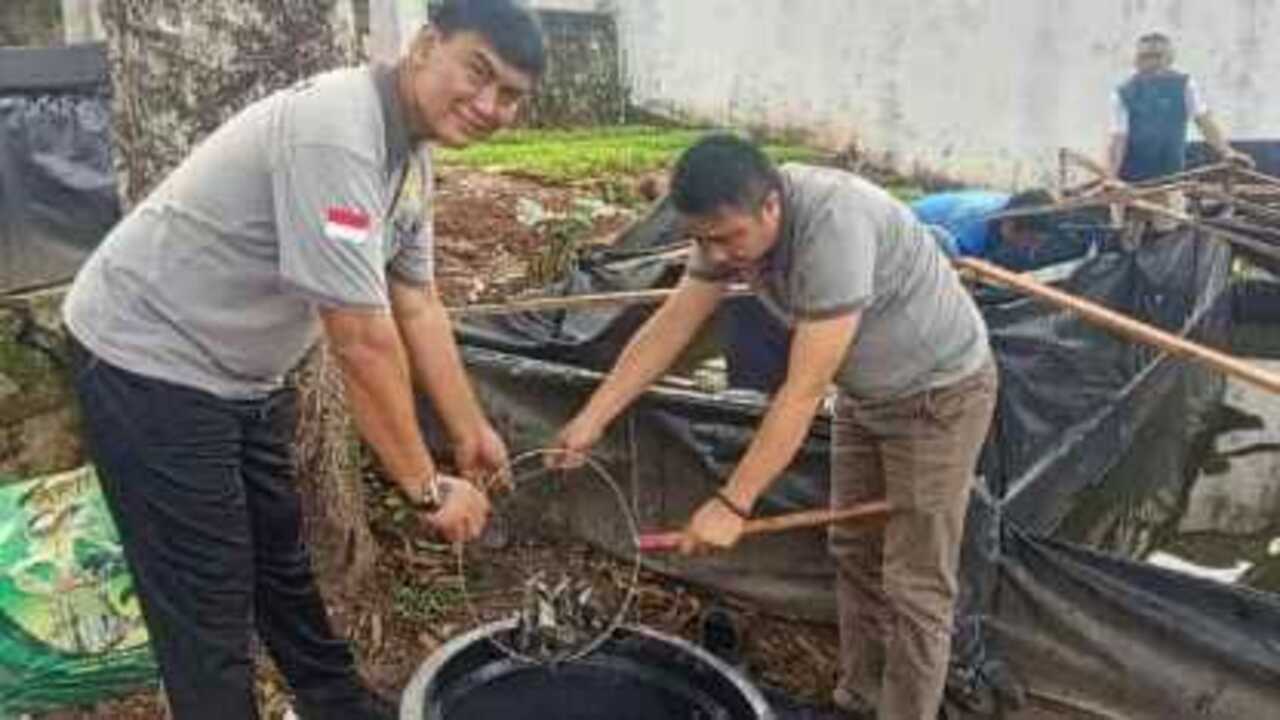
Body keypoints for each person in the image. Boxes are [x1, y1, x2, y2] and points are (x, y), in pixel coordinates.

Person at [61, 1, 544, 718]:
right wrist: (426, 488)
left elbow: (418, 303)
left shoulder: (409, 157)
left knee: (281, 568)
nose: (488, 104)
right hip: (146, 360)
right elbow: (358, 338)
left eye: (510, 95)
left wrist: (470, 430)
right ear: (424, 46)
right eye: (478, 73)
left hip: (240, 375)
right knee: (209, 599)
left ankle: (337, 705)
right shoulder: (338, 133)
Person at [551, 134, 998, 720]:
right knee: (853, 548)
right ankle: (860, 698)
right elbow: (671, 325)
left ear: (772, 206)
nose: (719, 253)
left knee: (916, 583)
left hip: (940, 396)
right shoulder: (723, 235)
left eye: (728, 236)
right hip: (867, 395)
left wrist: (733, 503)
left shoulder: (833, 225)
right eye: (703, 239)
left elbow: (804, 389)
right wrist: (592, 418)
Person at [1106, 32, 1254, 184]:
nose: (1151, 62)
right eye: (1145, 56)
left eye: (1157, 56)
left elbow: (1203, 120)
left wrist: (1227, 152)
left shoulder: (1184, 85)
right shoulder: (1123, 93)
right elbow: (1118, 138)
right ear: (1136, 60)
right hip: (1131, 180)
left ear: (1169, 59)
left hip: (1172, 175)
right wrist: (1111, 178)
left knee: (1176, 204)